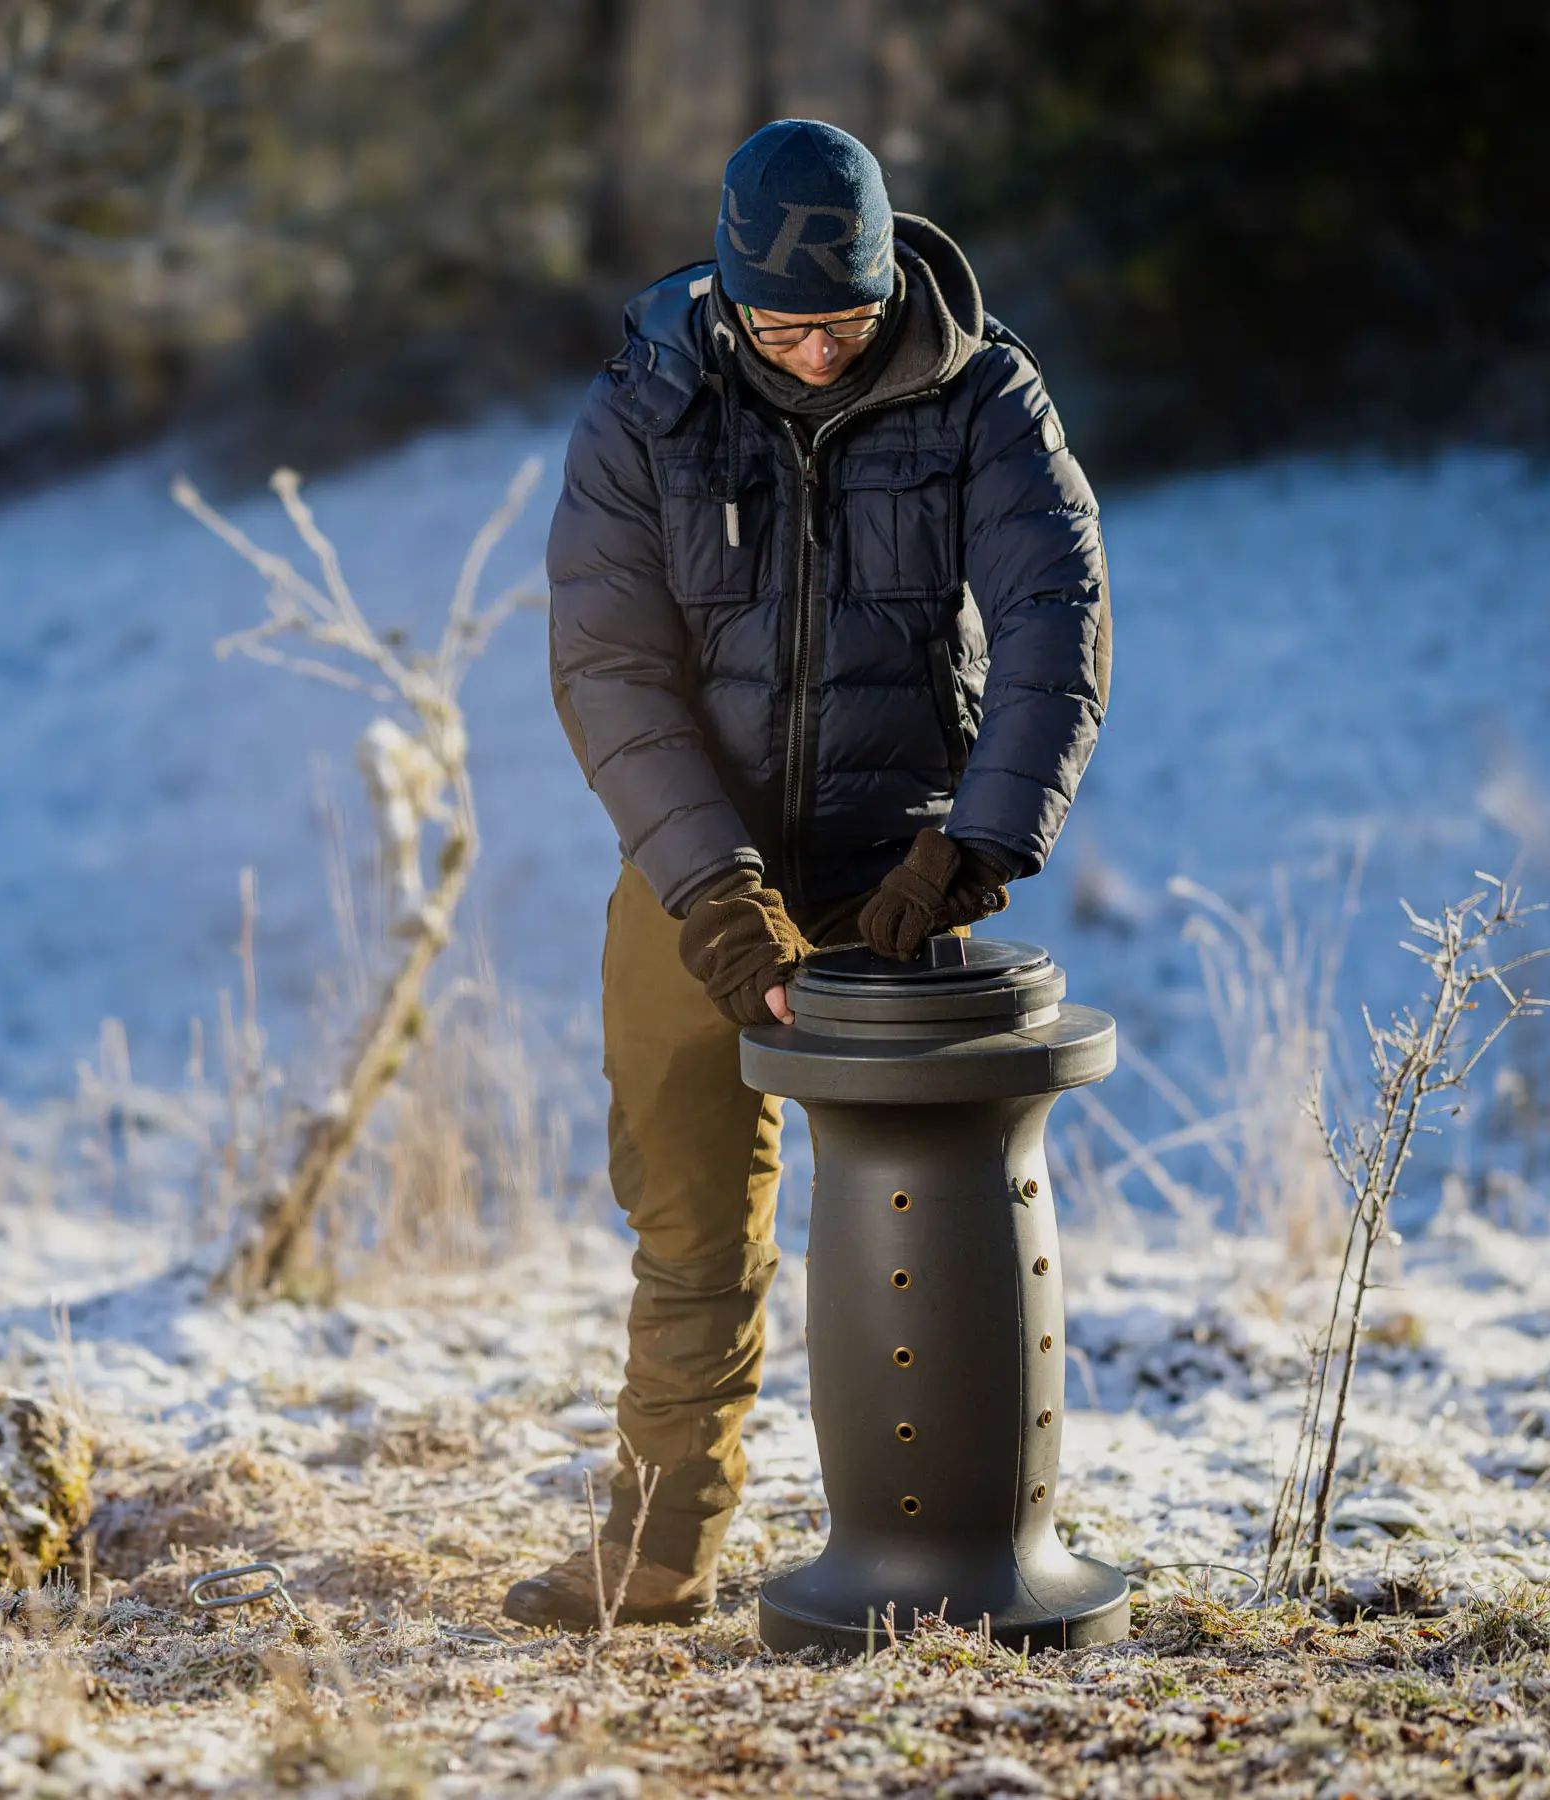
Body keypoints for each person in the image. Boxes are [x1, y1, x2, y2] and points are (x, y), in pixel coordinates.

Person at [502, 118, 1111, 1629]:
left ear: (888, 275)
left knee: (925, 1214)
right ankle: (656, 1556)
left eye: (844, 321)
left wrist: (978, 839)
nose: (820, 353)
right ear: (724, 292)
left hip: (900, 870)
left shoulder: (983, 395)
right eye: (785, 327)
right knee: (691, 1220)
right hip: (695, 870)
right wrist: (711, 890)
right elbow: (607, 664)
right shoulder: (648, 405)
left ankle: (945, 1566)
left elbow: (1056, 615)